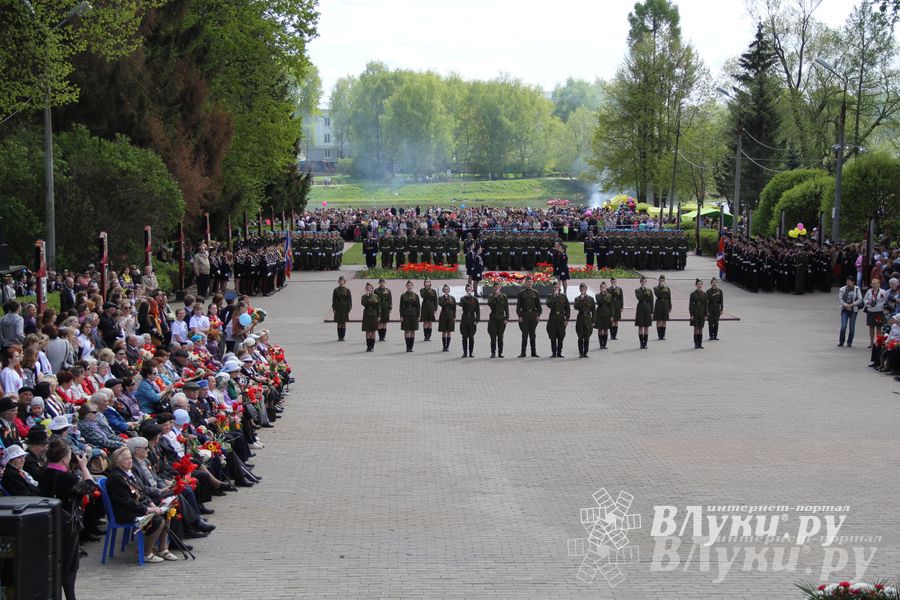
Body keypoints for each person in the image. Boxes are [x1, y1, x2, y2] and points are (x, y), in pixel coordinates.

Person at [39, 438, 95, 600]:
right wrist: (83, 466)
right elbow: (90, 487)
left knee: (59, 562)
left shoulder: (44, 472)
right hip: (67, 525)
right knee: (69, 565)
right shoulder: (66, 478)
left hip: (49, 522)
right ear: (64, 458)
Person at [105, 446, 177, 562]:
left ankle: (163, 549)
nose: (130, 461)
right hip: (126, 513)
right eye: (126, 459)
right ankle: (146, 553)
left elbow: (141, 492)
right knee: (158, 520)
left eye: (130, 458)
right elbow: (127, 502)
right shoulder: (116, 478)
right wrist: (148, 510)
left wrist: (152, 505)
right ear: (118, 462)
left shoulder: (127, 473)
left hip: (134, 509)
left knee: (166, 512)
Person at [517, 276, 542, 357]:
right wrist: (520, 316)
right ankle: (523, 352)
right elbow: (518, 307)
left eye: (530, 282)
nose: (529, 283)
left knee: (532, 334)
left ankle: (533, 352)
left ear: (533, 283)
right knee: (524, 335)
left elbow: (539, 306)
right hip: (524, 315)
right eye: (528, 282)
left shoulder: (535, 293)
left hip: (533, 315)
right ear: (525, 283)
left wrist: (538, 314)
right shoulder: (521, 293)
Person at [546, 281, 570, 358]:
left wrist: (567, 319)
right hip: (553, 318)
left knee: (561, 335)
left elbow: (567, 308)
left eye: (557, 287)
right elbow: (549, 305)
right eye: (555, 287)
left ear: (559, 287)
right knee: (552, 335)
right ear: (552, 288)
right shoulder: (550, 296)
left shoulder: (563, 296)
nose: (556, 288)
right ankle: (553, 352)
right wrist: (554, 296)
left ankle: (559, 352)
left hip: (561, 318)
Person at [838, 276, 863, 348]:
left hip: (854, 310)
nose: (848, 283)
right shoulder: (842, 289)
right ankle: (841, 341)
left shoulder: (857, 289)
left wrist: (852, 305)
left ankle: (849, 342)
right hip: (845, 310)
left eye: (849, 281)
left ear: (853, 282)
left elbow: (860, 299)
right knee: (843, 326)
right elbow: (840, 299)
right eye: (847, 281)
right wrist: (846, 305)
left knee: (852, 327)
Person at [486, 283, 509, 358]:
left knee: (500, 336)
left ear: (500, 287)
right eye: (495, 287)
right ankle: (493, 353)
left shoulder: (504, 296)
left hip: (501, 318)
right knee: (493, 337)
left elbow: (506, 308)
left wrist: (506, 318)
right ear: (493, 288)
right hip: (493, 318)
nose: (497, 288)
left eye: (498, 287)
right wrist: (495, 297)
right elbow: (490, 305)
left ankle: (500, 353)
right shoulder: (491, 296)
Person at [863, 278, 887, 348]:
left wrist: (880, 305)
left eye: (875, 284)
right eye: (872, 284)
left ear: (879, 284)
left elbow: (885, 301)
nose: (873, 285)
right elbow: (865, 299)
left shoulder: (883, 292)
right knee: (871, 327)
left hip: (879, 311)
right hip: (871, 311)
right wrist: (868, 303)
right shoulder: (869, 291)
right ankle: (871, 343)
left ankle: (878, 343)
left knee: (879, 327)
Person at [573, 283, 595, 358]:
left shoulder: (590, 299)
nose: (583, 290)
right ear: (580, 290)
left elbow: (594, 311)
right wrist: (581, 300)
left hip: (588, 318)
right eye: (581, 289)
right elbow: (575, 307)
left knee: (587, 336)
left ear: (586, 289)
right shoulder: (577, 298)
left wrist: (593, 321)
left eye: (584, 289)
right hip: (580, 318)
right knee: (580, 336)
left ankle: (586, 352)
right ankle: (581, 353)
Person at [459, 283, 480, 358]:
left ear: (472, 290)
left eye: (470, 289)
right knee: (464, 337)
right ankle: (465, 352)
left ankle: (471, 353)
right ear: (465, 290)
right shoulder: (463, 298)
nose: (469, 291)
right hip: (465, 318)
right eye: (468, 289)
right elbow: (461, 305)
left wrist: (477, 320)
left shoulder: (475, 299)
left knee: (471, 336)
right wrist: (466, 298)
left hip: (472, 318)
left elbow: (477, 311)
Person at [399, 280, 420, 353]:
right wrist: (401, 316)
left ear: (412, 286)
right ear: (406, 286)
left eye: (410, 285)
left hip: (414, 314)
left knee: (413, 330)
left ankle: (411, 347)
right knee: (407, 330)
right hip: (406, 314)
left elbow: (418, 306)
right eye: (408, 285)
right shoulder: (403, 295)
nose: (409, 286)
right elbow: (401, 307)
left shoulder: (416, 295)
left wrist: (418, 316)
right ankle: (407, 347)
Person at [634, 276, 654, 349]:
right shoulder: (637, 290)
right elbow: (640, 298)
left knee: (646, 326)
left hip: (647, 308)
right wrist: (643, 290)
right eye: (642, 281)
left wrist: (652, 312)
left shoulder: (649, 290)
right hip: (640, 308)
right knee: (640, 326)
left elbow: (651, 301)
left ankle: (645, 343)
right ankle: (641, 343)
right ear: (640, 282)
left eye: (645, 281)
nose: (643, 283)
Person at [689, 278, 709, 349]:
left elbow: (706, 305)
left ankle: (700, 344)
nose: (699, 285)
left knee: (701, 328)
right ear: (696, 285)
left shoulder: (705, 294)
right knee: (696, 328)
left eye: (701, 284)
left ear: (702, 285)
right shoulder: (693, 294)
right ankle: (696, 343)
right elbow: (690, 305)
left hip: (702, 312)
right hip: (695, 312)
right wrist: (691, 314)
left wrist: (706, 314)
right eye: (698, 284)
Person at [360, 282, 380, 352]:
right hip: (367, 315)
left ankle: (372, 346)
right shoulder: (363, 297)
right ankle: (368, 346)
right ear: (366, 289)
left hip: (374, 315)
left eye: (370, 288)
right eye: (367, 288)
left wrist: (379, 315)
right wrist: (367, 296)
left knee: (373, 331)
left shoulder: (376, 296)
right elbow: (364, 304)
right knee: (368, 331)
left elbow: (378, 307)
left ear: (372, 289)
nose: (368, 289)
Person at [331, 276, 352, 342]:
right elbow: (333, 300)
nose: (341, 282)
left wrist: (349, 308)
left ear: (344, 282)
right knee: (339, 322)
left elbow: (349, 300)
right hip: (338, 307)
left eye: (342, 281)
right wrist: (334, 308)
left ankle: (343, 336)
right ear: (338, 282)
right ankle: (339, 337)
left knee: (343, 322)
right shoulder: (335, 290)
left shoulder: (347, 290)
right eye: (340, 281)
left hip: (345, 308)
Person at [594, 281, 613, 350]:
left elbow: (611, 306)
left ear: (606, 288)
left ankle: (604, 344)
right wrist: (603, 295)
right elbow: (600, 302)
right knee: (600, 329)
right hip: (600, 313)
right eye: (602, 287)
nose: (603, 288)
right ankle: (601, 344)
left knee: (606, 329)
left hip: (607, 313)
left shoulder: (609, 295)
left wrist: (612, 315)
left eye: (604, 287)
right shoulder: (597, 295)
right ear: (600, 288)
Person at [438, 284, 457, 353]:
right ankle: (444, 346)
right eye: (445, 289)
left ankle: (447, 346)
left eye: (447, 289)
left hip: (450, 315)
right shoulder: (440, 298)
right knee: (444, 331)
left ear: (449, 290)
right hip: (443, 314)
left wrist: (454, 316)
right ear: (443, 290)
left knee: (449, 331)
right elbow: (442, 304)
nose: (446, 291)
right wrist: (446, 299)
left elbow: (454, 308)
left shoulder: (452, 298)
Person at [653, 275, 672, 340]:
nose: (662, 281)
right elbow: (657, 294)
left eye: (663, 280)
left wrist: (670, 307)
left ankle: (663, 335)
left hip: (665, 304)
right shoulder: (656, 288)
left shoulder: (667, 288)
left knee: (664, 320)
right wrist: (661, 287)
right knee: (658, 320)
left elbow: (669, 298)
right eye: (661, 280)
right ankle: (659, 335)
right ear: (658, 280)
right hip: (659, 304)